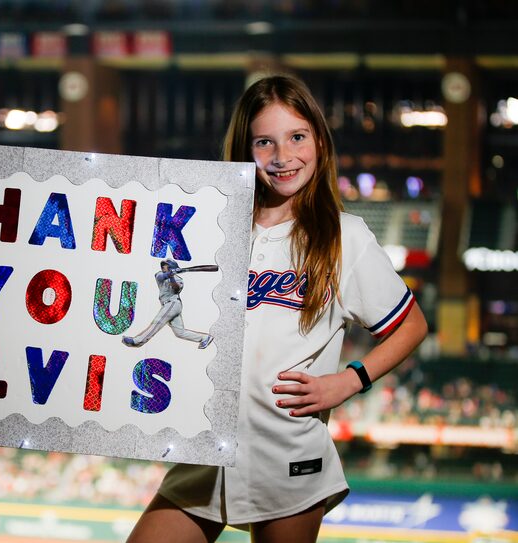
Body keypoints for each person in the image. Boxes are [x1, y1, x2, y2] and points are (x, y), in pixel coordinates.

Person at [126, 75, 428, 543]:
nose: (282, 156)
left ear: (320, 143)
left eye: (297, 137)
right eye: (264, 141)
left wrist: (349, 381)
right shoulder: (208, 226)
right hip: (205, 452)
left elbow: (411, 325)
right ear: (244, 150)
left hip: (286, 455)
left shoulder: (344, 237)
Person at [122, 259, 214, 349]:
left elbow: (176, 289)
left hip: (173, 304)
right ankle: (204, 338)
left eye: (165, 265)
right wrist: (169, 274)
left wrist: (172, 277)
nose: (163, 266)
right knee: (179, 332)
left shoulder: (179, 279)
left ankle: (137, 341)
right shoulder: (160, 274)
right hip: (168, 305)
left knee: (158, 322)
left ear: (171, 267)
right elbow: (159, 277)